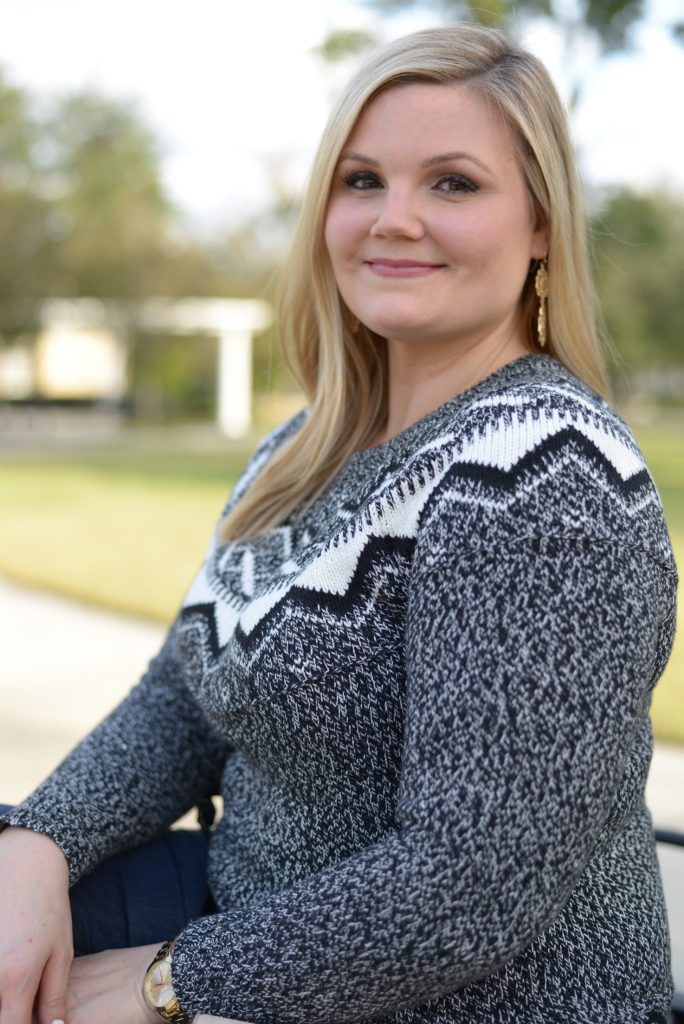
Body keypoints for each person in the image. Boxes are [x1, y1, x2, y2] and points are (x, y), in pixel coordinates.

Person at [0, 23, 677, 1024]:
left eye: (452, 183)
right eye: (362, 180)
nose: (393, 219)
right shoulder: (301, 449)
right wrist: (40, 845)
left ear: (541, 224)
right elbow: (184, 701)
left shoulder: (547, 479)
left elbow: (470, 888)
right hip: (241, 905)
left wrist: (171, 984)